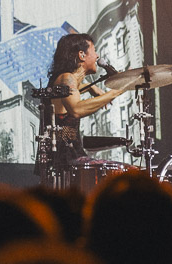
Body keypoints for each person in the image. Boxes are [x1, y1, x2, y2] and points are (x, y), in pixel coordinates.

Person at [46, 33, 126, 165]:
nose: (97, 56)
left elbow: (72, 91)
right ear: (81, 55)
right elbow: (76, 109)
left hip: (69, 158)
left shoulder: (65, 79)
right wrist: (115, 92)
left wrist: (89, 88)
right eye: (94, 51)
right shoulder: (66, 78)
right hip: (66, 160)